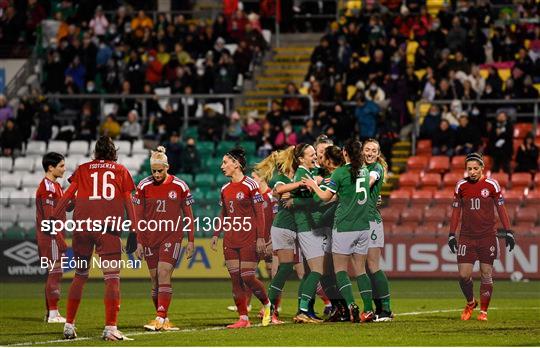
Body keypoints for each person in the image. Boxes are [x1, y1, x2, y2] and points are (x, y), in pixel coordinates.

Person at [52, 136, 137, 340]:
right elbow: (128, 201)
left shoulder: (82, 169)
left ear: (95, 153)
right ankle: (110, 328)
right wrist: (134, 230)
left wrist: (55, 217)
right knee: (112, 278)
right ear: (113, 153)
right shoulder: (121, 170)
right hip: (107, 229)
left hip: (82, 228)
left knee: (80, 275)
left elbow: (66, 197)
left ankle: (69, 326)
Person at [303, 139, 375, 323]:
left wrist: (313, 186)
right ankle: (368, 310)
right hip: (363, 227)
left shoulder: (341, 172)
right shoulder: (365, 171)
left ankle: (351, 306)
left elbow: (325, 197)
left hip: (344, 227)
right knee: (361, 270)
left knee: (340, 270)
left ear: (345, 153)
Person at [133, 146, 195, 331]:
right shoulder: (143, 186)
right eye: (154, 171)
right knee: (154, 281)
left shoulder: (180, 186)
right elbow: (138, 217)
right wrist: (138, 241)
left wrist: (191, 240)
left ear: (167, 167)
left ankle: (159, 318)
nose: (157, 174)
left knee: (163, 273)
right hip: (150, 237)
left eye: (160, 171)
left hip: (171, 236)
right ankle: (163, 318)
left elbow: (188, 216)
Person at [447, 153, 515, 322]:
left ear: (482, 168)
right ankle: (471, 302)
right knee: (463, 275)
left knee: (486, 274)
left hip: (487, 236)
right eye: (469, 169)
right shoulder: (460, 186)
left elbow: (501, 209)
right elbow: (456, 211)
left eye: (475, 168)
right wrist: (451, 234)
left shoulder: (492, 184)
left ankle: (483, 311)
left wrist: (509, 231)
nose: (472, 172)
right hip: (466, 237)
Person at [210, 147, 272, 328]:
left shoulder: (250, 185)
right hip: (230, 239)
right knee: (235, 279)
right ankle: (243, 318)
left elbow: (259, 213)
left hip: (248, 238)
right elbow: (223, 213)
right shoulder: (225, 188)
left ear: (236, 164)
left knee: (247, 277)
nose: (222, 166)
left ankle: (267, 305)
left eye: (225, 162)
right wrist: (216, 233)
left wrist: (260, 238)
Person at [36, 152, 70, 323]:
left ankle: (50, 312)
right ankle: (53, 313)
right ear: (51, 167)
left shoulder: (55, 186)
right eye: (61, 166)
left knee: (52, 273)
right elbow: (50, 219)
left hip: (52, 236)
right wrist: (59, 239)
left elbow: (68, 206)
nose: (64, 169)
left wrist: (75, 190)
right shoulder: (48, 188)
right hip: (50, 237)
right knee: (56, 272)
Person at [362, 139, 393, 321]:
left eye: (374, 150)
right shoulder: (361, 169)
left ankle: (386, 310)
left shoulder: (376, 169)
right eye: (367, 149)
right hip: (360, 221)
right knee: (366, 267)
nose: (370, 153)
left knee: (373, 266)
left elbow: (369, 182)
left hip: (371, 221)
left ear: (378, 153)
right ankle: (378, 307)